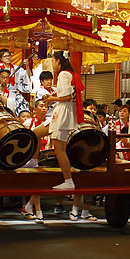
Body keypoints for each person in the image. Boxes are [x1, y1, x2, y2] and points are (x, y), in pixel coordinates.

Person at [43, 52, 84, 191]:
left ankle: (68, 180)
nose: (52, 65)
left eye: (53, 61)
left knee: (59, 149)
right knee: (59, 148)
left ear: (58, 61)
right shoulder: (68, 74)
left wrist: (51, 99)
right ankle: (67, 179)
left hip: (63, 111)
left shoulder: (62, 74)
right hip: (65, 110)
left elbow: (67, 96)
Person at [0, 48, 31, 116]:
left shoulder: (16, 68)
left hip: (13, 93)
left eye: (9, 56)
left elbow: (27, 76)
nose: (7, 58)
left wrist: (27, 65)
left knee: (24, 107)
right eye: (5, 56)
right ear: (1, 59)